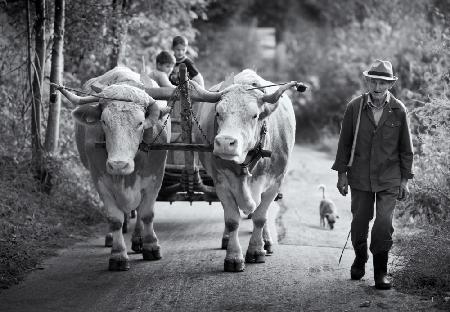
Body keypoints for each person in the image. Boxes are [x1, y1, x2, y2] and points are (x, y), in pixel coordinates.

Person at [332, 59, 414, 290]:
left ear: (390, 85)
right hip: (359, 176)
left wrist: (405, 180)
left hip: (389, 177)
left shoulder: (398, 110)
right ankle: (360, 257)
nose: (377, 87)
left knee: (383, 224)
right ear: (368, 81)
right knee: (359, 222)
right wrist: (341, 174)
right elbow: (344, 144)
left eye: (383, 83)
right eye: (374, 82)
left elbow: (406, 148)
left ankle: (381, 271)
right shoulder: (354, 108)